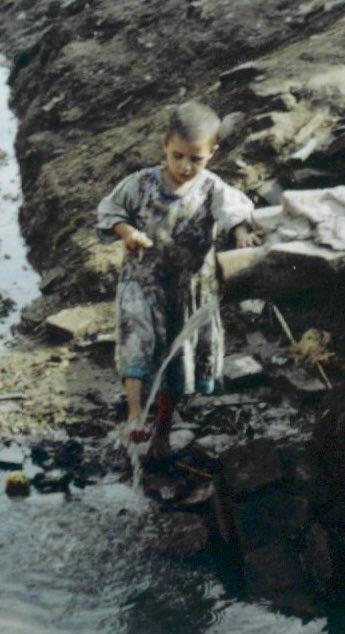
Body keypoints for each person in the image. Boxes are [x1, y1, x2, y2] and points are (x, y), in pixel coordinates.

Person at [96, 102, 258, 461]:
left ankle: (163, 431)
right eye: (177, 156)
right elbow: (110, 211)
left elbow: (236, 212)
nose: (185, 167)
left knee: (176, 361)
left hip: (190, 288)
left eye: (195, 159)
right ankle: (136, 415)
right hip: (144, 279)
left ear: (212, 154)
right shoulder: (140, 184)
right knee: (137, 338)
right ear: (164, 145)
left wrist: (242, 233)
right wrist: (128, 232)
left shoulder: (212, 188)